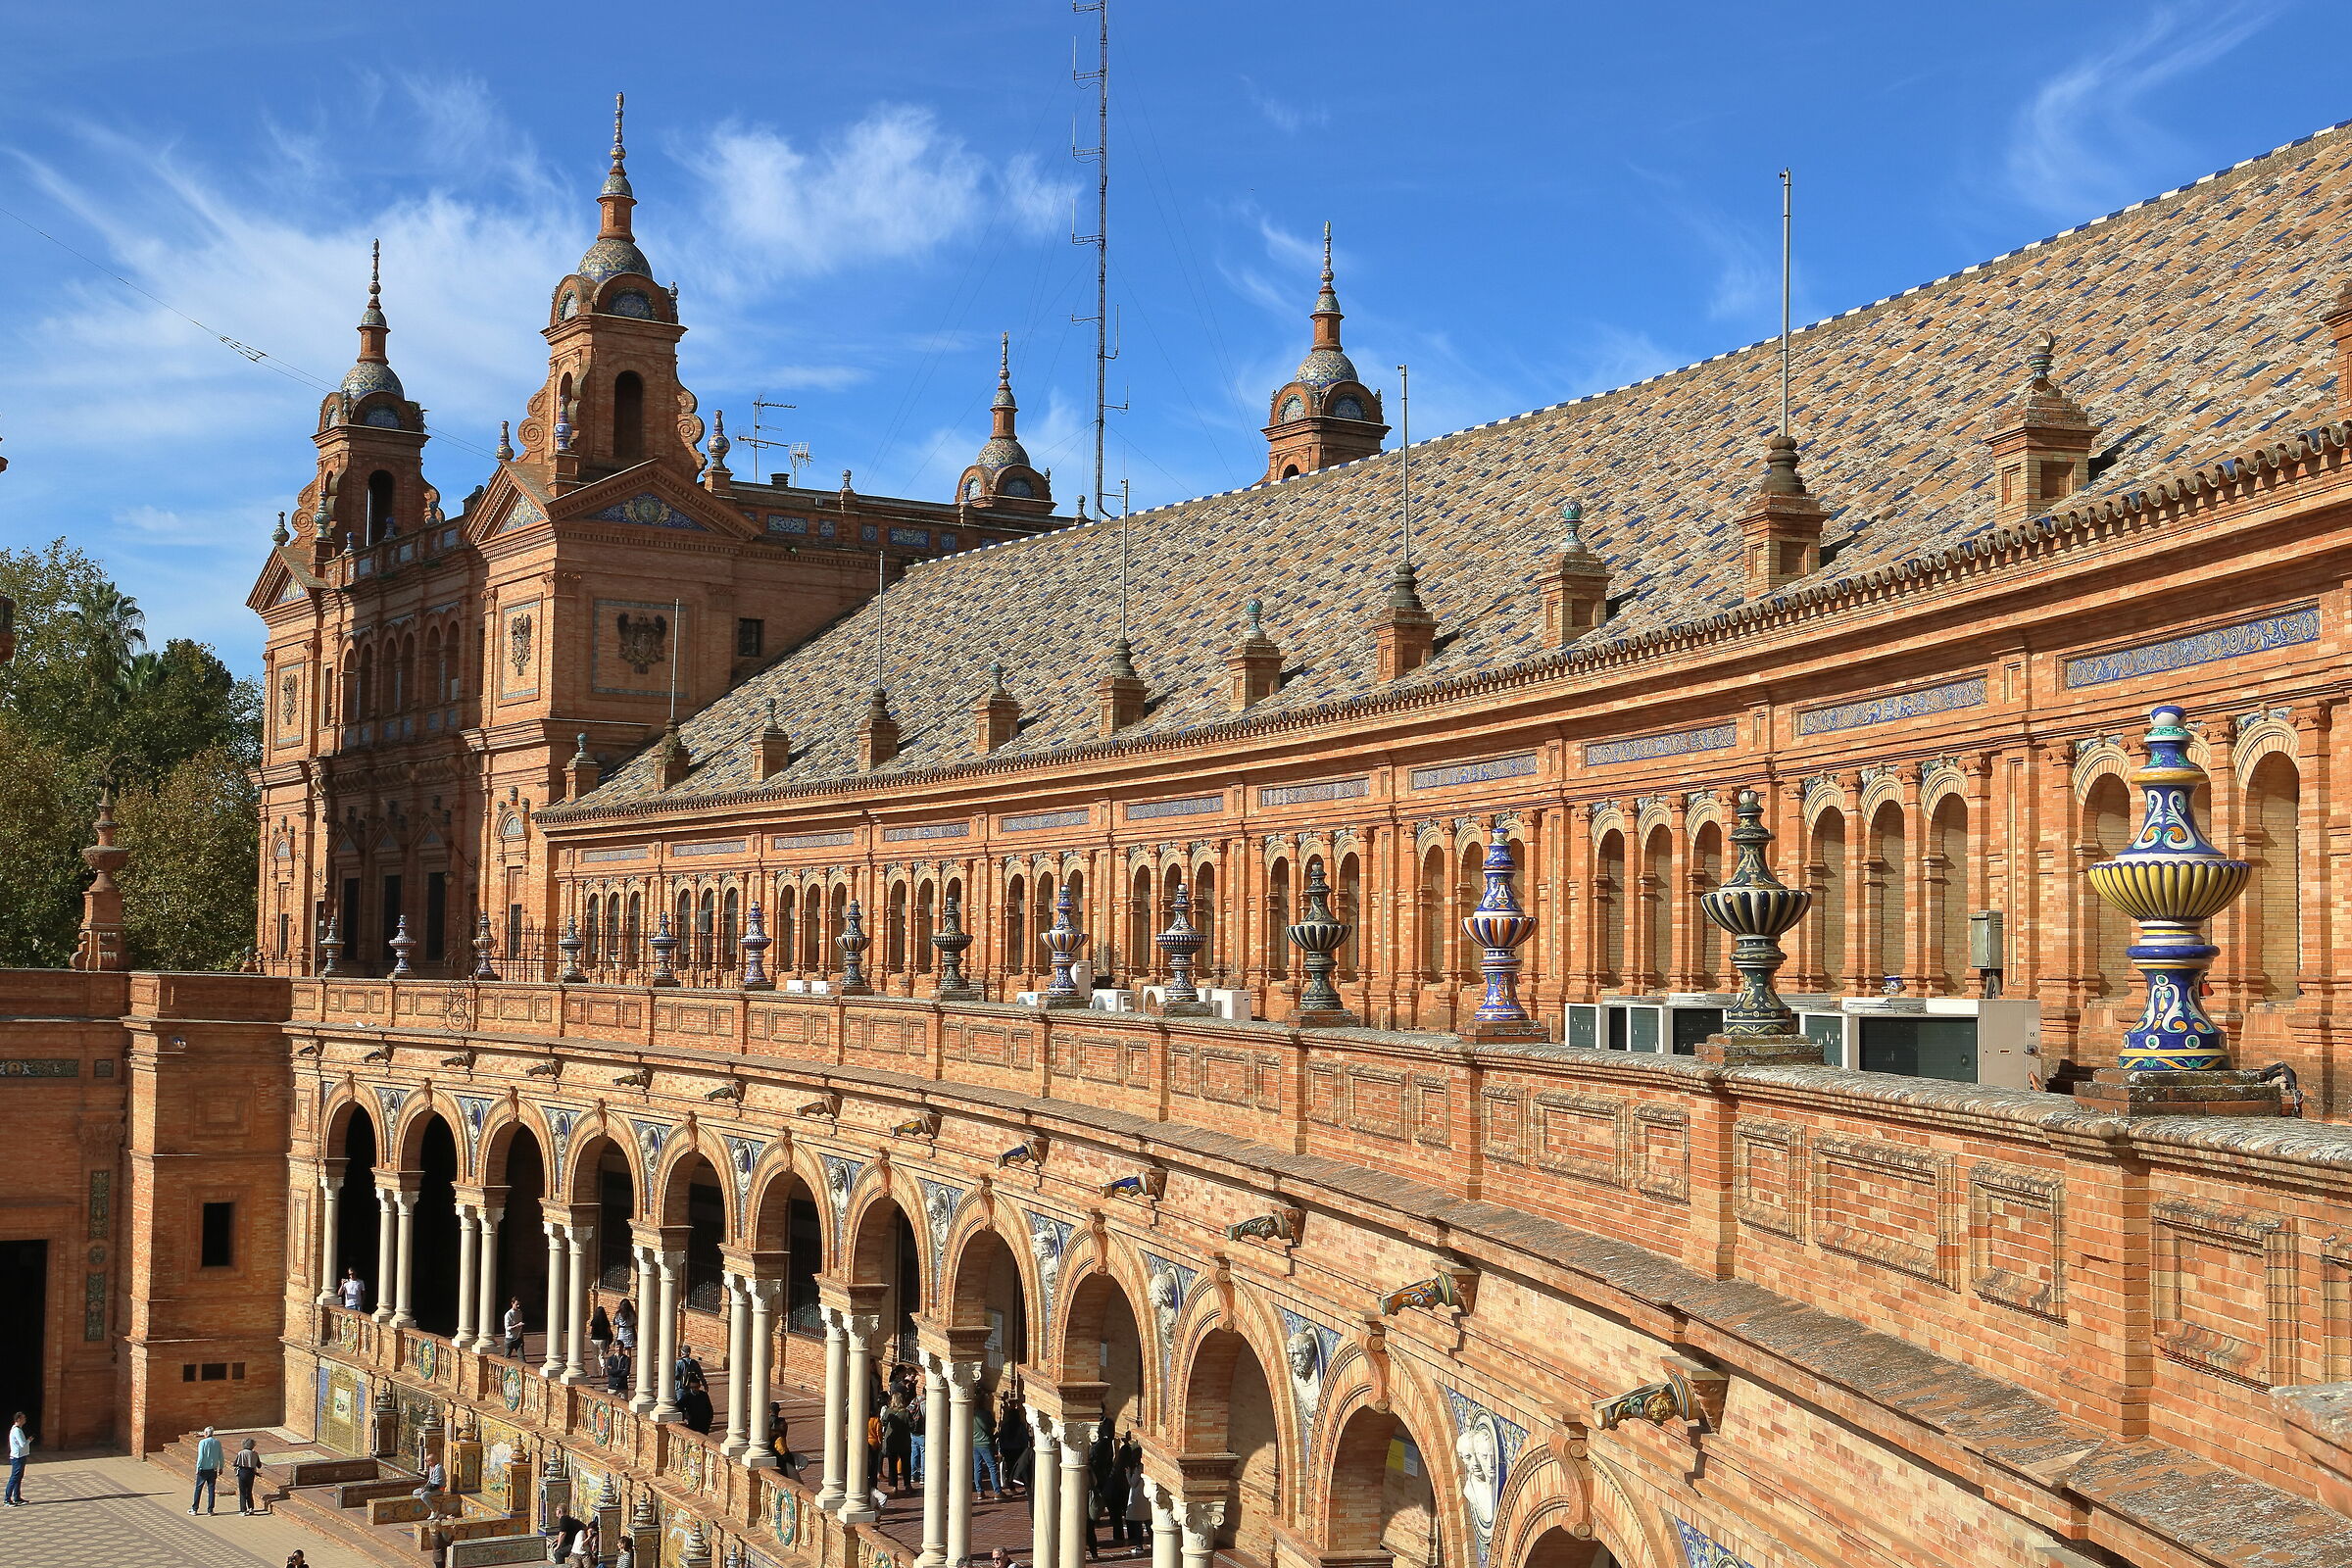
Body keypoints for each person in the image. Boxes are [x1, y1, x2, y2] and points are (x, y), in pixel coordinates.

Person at [190, 1426, 223, 1514]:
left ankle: (194, 1509)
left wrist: (198, 1467)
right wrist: (221, 1467)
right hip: (213, 1469)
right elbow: (221, 1456)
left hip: (203, 1469)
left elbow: (201, 1457)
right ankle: (210, 1510)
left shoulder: (202, 1442)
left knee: (198, 1488)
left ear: (205, 1433)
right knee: (211, 1489)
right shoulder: (217, 1442)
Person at [972, 1399, 1002, 1499]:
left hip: (975, 1443)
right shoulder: (986, 1414)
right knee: (992, 1467)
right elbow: (993, 1424)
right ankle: (997, 1492)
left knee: (977, 1467)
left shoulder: (971, 1414)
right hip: (985, 1443)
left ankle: (979, 1491)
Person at [233, 1437, 265, 1515]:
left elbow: (235, 1463)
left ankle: (243, 1510)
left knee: (242, 1492)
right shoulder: (255, 1454)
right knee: (249, 1491)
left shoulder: (241, 1453)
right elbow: (259, 1465)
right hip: (251, 1473)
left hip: (242, 1472)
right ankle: (251, 1508)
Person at [587, 1301, 612, 1366]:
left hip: (594, 1339)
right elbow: (609, 1331)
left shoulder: (594, 1321)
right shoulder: (606, 1321)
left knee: (595, 1356)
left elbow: (590, 1331)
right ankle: (603, 1367)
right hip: (602, 1340)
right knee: (601, 1356)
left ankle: (595, 1371)